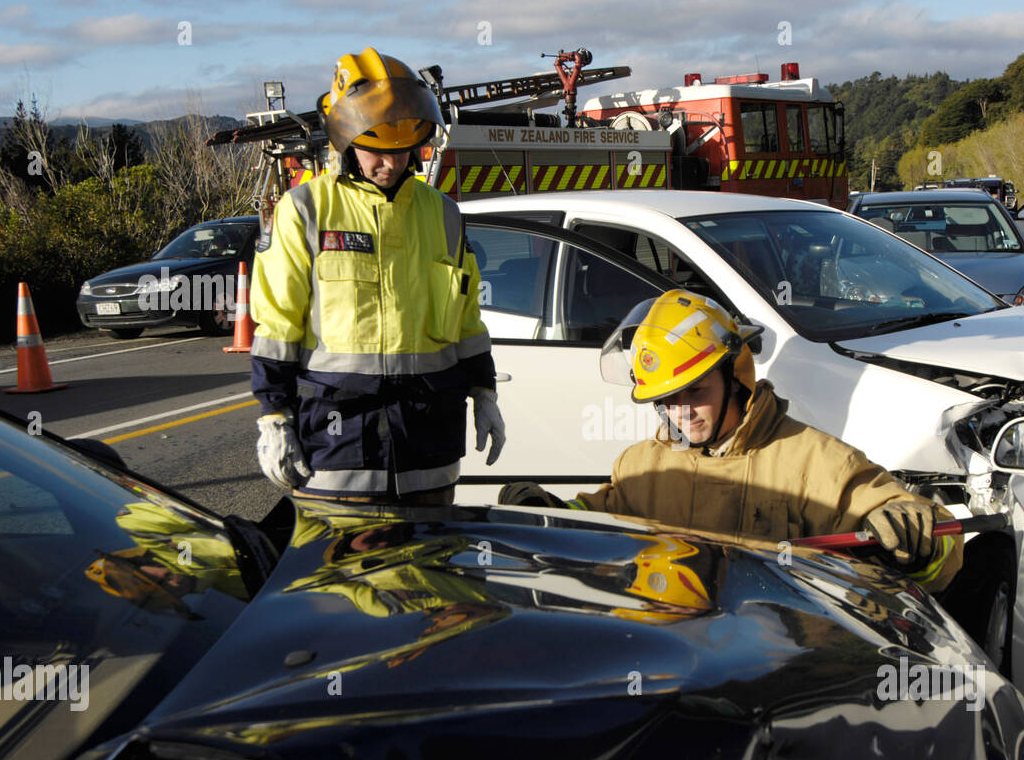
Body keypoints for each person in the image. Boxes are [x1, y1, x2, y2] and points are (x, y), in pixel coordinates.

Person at [499, 290, 962, 593]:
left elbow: (940, 550)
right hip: (671, 654)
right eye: (667, 400)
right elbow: (603, 518)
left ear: (735, 377)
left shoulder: (813, 461)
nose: (682, 413)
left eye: (696, 392)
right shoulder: (642, 467)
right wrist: (546, 511)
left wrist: (912, 532)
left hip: (777, 668)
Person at [250, 47, 504, 505]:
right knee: (341, 573)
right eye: (377, 152)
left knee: (432, 572)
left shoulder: (444, 214)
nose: (392, 165)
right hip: (339, 446)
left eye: (403, 151)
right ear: (346, 140)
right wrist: (274, 416)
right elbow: (278, 326)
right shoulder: (306, 210)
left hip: (429, 445)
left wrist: (484, 391)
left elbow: (467, 321)